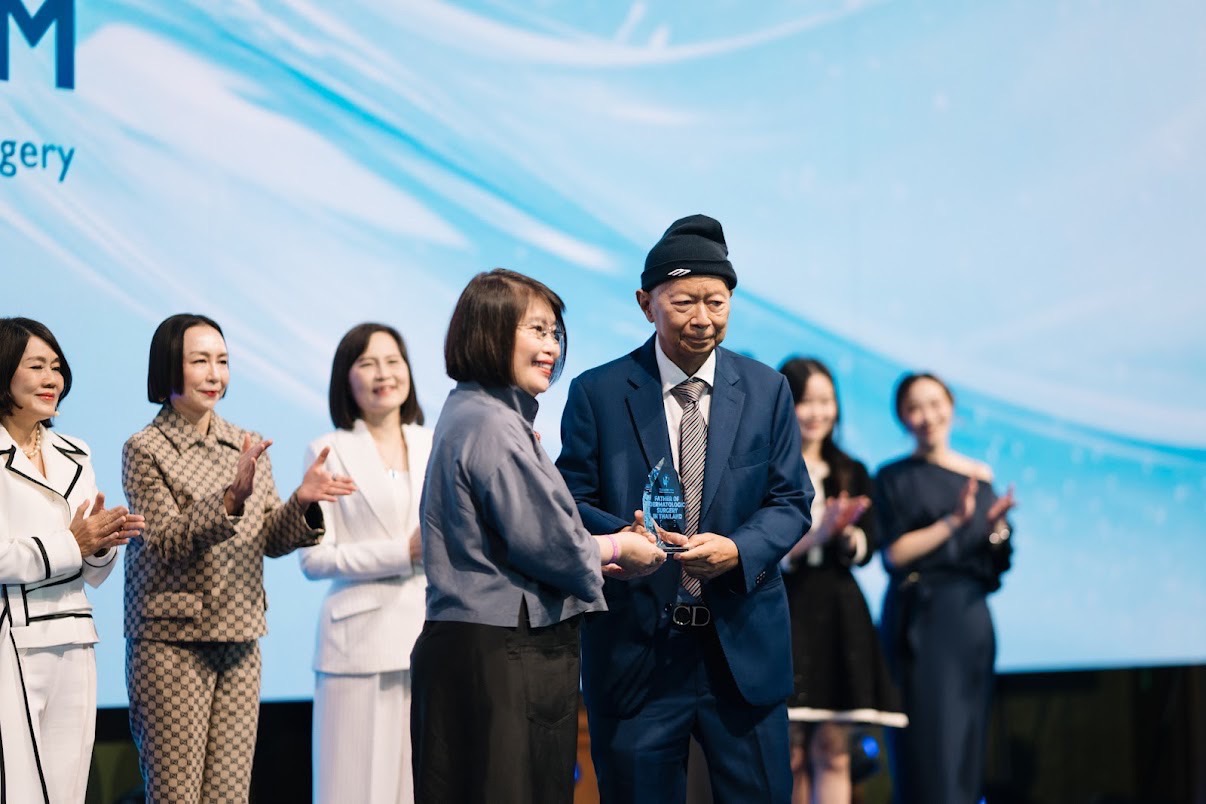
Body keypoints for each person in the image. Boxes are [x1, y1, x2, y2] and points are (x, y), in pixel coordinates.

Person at [557, 214, 814, 804]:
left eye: (716, 303)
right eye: (684, 303)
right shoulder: (598, 392)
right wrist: (624, 537)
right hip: (637, 649)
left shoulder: (767, 389)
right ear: (646, 304)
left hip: (742, 650)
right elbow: (569, 499)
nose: (703, 318)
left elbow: (790, 499)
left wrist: (739, 550)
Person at [410, 268, 668, 804]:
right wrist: (619, 547)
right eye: (536, 330)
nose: (551, 347)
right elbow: (549, 544)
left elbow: (521, 539)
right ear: (489, 330)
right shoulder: (492, 423)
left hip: (480, 646)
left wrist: (597, 558)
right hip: (502, 652)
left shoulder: (476, 412)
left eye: (554, 333)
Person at [121, 313, 356, 803]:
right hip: (171, 643)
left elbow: (269, 537)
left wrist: (303, 501)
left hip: (241, 635)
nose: (215, 374)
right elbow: (164, 539)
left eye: (222, 361)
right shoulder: (144, 449)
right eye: (199, 361)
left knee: (229, 795)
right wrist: (230, 499)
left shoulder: (245, 443)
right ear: (168, 366)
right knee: (176, 795)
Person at [0, 317, 142, 804]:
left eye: (56, 367)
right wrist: (73, 543)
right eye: (36, 366)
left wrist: (102, 544)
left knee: (68, 788)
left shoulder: (74, 452)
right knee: (18, 788)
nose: (51, 379)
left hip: (76, 633)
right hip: (11, 637)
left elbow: (91, 567)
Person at [299, 323, 433, 804]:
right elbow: (314, 558)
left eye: (393, 361)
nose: (384, 374)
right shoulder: (328, 450)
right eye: (368, 363)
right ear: (346, 377)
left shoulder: (435, 441)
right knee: (354, 789)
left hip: (430, 635)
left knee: (421, 785)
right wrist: (402, 552)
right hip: (358, 645)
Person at [875, 372, 1015, 804]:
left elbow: (995, 563)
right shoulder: (893, 477)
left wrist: (997, 530)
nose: (927, 416)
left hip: (969, 617)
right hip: (921, 616)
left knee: (967, 746)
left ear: (951, 407)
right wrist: (954, 522)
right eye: (914, 407)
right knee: (929, 748)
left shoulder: (979, 475)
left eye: (935, 404)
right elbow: (894, 554)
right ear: (902, 417)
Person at [777, 357, 906, 804]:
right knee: (789, 750)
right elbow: (762, 549)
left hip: (839, 613)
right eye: (806, 402)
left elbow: (868, 546)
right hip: (786, 609)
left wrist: (849, 535)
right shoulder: (769, 467)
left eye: (826, 401)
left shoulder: (852, 470)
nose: (819, 413)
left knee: (834, 749)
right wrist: (819, 532)